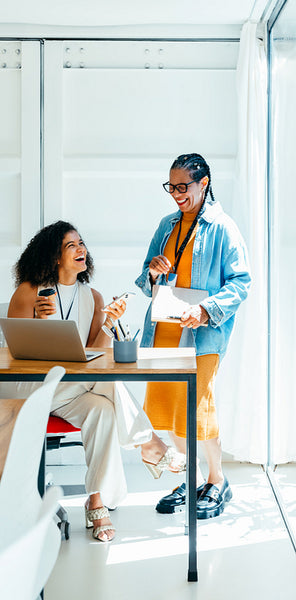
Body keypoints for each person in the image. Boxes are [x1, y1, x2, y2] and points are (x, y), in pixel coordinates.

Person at [0, 220, 186, 542]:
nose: (81, 249)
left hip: (74, 388)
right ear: (55, 256)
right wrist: (40, 322)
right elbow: (18, 353)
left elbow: (93, 357)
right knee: (106, 383)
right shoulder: (29, 291)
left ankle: (96, 499)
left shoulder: (93, 297)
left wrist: (109, 322)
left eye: (81, 243)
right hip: (31, 387)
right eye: (71, 245)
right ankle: (150, 443)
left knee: (103, 409)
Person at [135, 153, 251, 519]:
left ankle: (217, 481)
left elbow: (240, 282)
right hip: (163, 329)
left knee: (197, 408)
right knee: (169, 410)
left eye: (183, 186)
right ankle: (192, 478)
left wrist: (206, 311)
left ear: (204, 183)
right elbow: (145, 277)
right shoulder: (167, 225)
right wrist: (153, 272)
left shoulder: (223, 228)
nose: (176, 194)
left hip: (201, 333)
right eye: (171, 186)